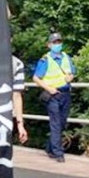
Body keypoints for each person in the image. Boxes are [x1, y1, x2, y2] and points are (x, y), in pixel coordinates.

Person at [32, 32, 75, 162]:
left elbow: (72, 72)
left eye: (59, 42)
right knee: (56, 123)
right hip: (53, 95)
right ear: (49, 45)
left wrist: (70, 77)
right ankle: (58, 153)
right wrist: (49, 88)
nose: (57, 45)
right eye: (55, 42)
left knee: (62, 123)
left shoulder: (66, 57)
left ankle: (50, 147)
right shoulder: (45, 59)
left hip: (66, 93)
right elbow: (36, 77)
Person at [12, 55, 28, 144]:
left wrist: (20, 125)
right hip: (5, 116)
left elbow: (17, 95)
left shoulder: (16, 63)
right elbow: (16, 95)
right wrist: (20, 125)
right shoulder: (16, 63)